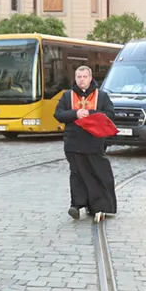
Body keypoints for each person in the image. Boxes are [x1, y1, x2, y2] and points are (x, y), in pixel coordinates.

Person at [54, 65, 117, 220]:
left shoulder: (101, 96)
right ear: (75, 78)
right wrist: (75, 113)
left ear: (90, 78)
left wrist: (90, 114)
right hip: (73, 143)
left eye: (84, 77)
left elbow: (110, 114)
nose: (81, 80)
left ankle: (100, 206)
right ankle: (76, 205)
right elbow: (59, 114)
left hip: (93, 142)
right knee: (76, 175)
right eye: (79, 77)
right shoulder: (67, 96)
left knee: (99, 173)